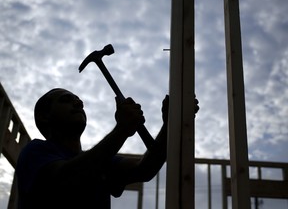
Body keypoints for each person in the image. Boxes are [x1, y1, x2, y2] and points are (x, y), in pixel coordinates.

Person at [16, 88, 199, 209]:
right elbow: (67, 179)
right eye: (66, 100)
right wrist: (122, 130)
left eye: (80, 102)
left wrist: (170, 123)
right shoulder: (34, 152)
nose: (79, 104)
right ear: (44, 117)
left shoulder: (102, 161)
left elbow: (145, 169)